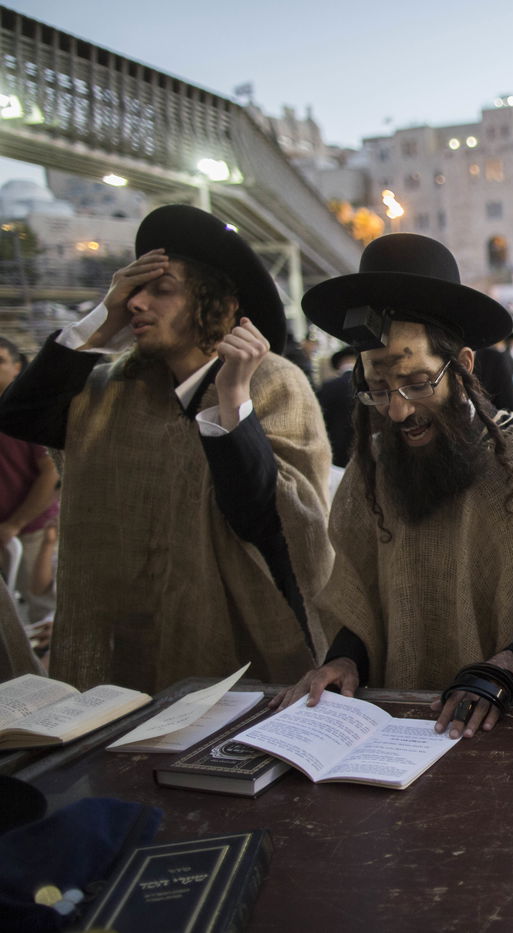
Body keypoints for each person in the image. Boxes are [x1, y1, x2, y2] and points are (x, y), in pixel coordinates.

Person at [277, 233, 513, 740]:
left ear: (464, 366)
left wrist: (503, 670)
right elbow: (358, 597)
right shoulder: (374, 464)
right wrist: (344, 659)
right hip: (395, 729)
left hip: (512, 722)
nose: (398, 410)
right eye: (379, 389)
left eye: (418, 383)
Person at [0, 204, 332, 692]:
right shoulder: (116, 389)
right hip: (135, 646)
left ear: (217, 305)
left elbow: (273, 519)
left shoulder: (272, 382)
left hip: (246, 652)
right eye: (133, 290)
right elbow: (22, 417)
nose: (135, 303)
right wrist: (101, 319)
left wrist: (232, 399)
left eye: (162, 290)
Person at [0, 337, 59, 623]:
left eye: (0, 361)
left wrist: (15, 524)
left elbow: (51, 472)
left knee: (41, 611)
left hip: (32, 529)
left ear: (17, 367)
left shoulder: (28, 411)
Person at [315, 346, 358, 468]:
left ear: (339, 365)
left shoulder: (328, 387)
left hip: (334, 453)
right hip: (362, 450)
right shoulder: (368, 386)